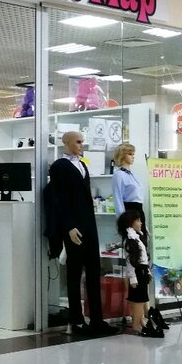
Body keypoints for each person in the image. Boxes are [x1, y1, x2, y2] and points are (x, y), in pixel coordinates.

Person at [48, 131, 118, 337]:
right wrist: (69, 226)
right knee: (75, 272)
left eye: (82, 142)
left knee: (94, 270)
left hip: (88, 223)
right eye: (78, 142)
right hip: (74, 226)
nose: (81, 145)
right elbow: (60, 198)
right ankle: (76, 320)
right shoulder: (59, 166)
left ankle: (96, 319)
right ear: (67, 143)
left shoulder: (82, 165)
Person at [117, 208, 162, 337]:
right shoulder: (129, 240)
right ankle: (136, 324)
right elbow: (130, 261)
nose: (141, 223)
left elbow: (142, 259)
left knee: (141, 299)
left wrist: (147, 271)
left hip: (142, 271)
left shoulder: (136, 238)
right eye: (137, 220)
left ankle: (141, 321)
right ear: (130, 224)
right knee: (138, 300)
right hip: (137, 273)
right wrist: (133, 277)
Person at [112, 143, 145, 227]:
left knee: (142, 234)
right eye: (130, 154)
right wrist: (122, 220)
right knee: (132, 235)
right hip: (130, 212)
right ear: (122, 155)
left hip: (139, 210)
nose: (133, 157)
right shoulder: (119, 174)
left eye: (133, 154)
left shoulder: (132, 175)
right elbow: (118, 198)